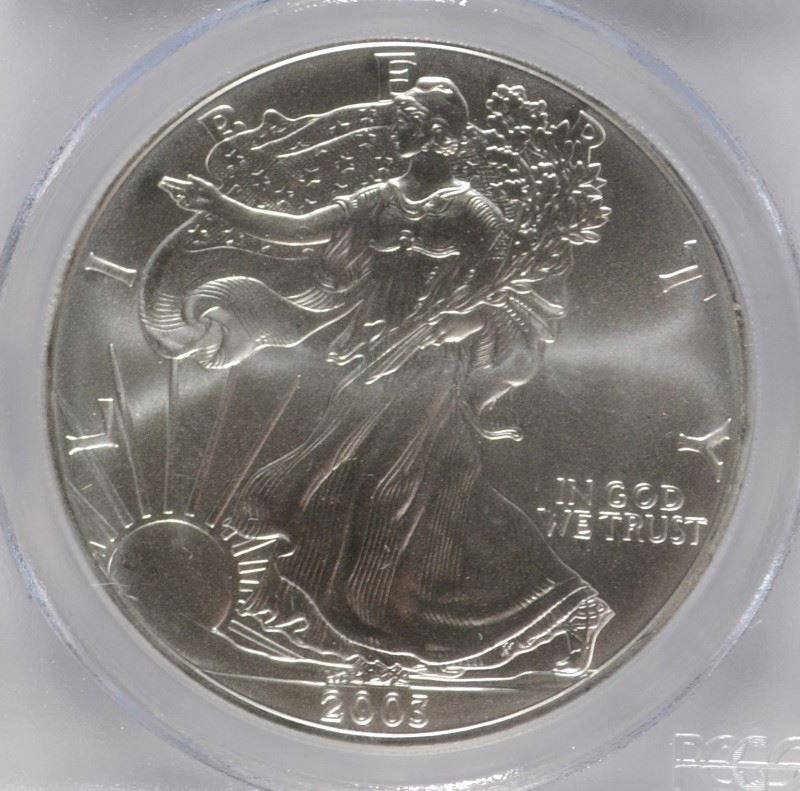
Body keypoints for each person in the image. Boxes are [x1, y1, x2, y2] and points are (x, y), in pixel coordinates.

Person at [161, 77, 611, 676]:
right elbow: (300, 227)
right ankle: (366, 630)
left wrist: (469, 319)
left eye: (407, 119)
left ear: (437, 133)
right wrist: (219, 205)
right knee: (364, 489)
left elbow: (515, 292)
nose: (394, 127)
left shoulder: (474, 211)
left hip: (429, 370)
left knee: (388, 494)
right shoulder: (378, 199)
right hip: (372, 359)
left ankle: (526, 608)